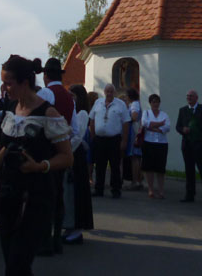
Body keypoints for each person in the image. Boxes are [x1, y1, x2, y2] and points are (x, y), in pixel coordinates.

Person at [0, 56, 73, 276]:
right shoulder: (11, 108)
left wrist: (40, 166)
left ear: (24, 83)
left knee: (17, 263)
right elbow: (6, 149)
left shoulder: (48, 113)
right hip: (8, 193)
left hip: (36, 196)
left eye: (8, 83)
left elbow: (67, 157)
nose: (4, 88)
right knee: (12, 261)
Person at [39, 58, 75, 254]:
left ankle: (45, 240)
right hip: (63, 149)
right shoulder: (69, 96)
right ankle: (56, 240)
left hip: (47, 149)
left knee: (45, 195)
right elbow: (74, 127)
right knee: (58, 194)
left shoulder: (46, 93)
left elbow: (39, 120)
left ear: (45, 75)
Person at [62, 84, 93, 245]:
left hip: (75, 155)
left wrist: (66, 152)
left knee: (77, 192)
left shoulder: (82, 114)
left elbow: (77, 136)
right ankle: (69, 226)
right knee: (69, 193)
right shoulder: (72, 112)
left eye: (73, 96)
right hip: (71, 153)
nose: (70, 99)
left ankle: (77, 228)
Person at [89, 83, 129, 198]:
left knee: (115, 165)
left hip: (114, 139)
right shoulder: (98, 103)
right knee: (99, 165)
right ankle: (99, 189)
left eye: (111, 91)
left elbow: (126, 123)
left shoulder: (120, 104)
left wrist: (124, 140)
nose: (109, 93)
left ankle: (116, 189)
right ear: (104, 92)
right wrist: (93, 135)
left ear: (114, 92)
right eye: (107, 91)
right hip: (99, 139)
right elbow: (92, 119)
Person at [176, 89, 202, 204]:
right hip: (187, 144)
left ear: (196, 98)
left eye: (191, 96)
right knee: (189, 170)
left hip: (199, 144)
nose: (189, 98)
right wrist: (182, 130)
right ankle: (190, 194)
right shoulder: (183, 110)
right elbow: (178, 126)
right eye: (187, 96)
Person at [138, 94, 169, 199]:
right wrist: (159, 124)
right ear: (150, 103)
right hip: (148, 142)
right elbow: (144, 123)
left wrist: (153, 127)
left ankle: (161, 190)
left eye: (157, 102)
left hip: (162, 143)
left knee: (160, 168)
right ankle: (150, 189)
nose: (155, 104)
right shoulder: (146, 113)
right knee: (149, 167)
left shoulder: (164, 114)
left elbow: (167, 127)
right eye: (153, 102)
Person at [125, 88, 143, 191]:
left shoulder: (134, 104)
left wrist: (126, 119)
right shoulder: (136, 103)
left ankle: (135, 181)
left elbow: (134, 116)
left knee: (134, 157)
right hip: (135, 130)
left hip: (133, 132)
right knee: (137, 158)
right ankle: (138, 180)